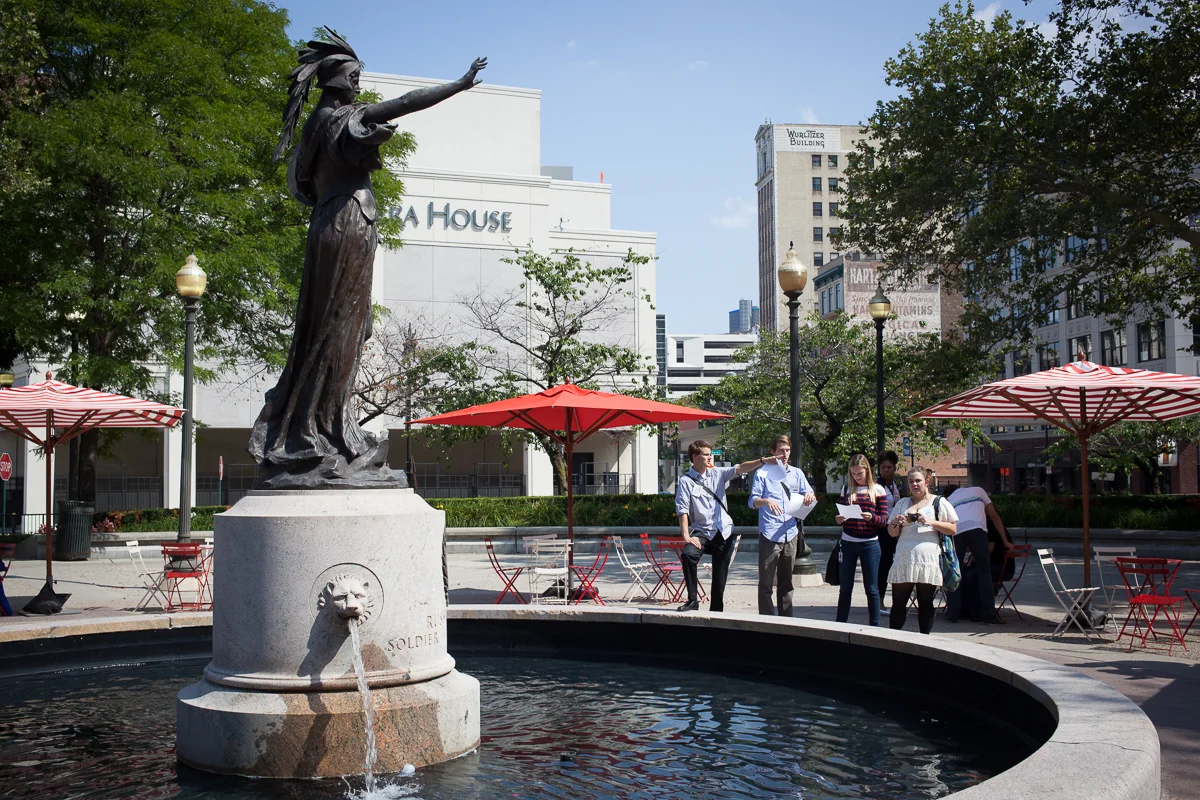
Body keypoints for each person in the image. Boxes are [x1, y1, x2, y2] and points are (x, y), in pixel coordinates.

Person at [675, 440, 773, 612]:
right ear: (695, 457)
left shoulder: (718, 473)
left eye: (710, 454)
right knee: (688, 554)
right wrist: (686, 536)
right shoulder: (686, 481)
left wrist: (762, 461)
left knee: (719, 576)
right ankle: (692, 600)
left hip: (723, 531)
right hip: (702, 531)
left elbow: (740, 468)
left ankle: (716, 611)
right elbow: (682, 509)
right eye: (706, 454)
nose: (709, 457)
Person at [749, 435, 817, 616]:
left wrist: (809, 495)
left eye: (787, 450)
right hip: (770, 533)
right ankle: (767, 620)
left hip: (790, 532)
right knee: (766, 583)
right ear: (773, 452)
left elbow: (809, 492)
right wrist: (765, 501)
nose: (784, 454)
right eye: (781, 451)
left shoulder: (797, 473)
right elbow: (752, 500)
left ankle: (786, 620)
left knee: (786, 583)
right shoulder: (762, 473)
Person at [886, 467, 959, 634]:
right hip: (904, 558)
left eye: (918, 480)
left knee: (925, 602)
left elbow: (953, 529)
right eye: (911, 481)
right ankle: (892, 639)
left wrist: (931, 522)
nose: (914, 484)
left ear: (927, 481)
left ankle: (924, 639)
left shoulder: (939, 502)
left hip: (927, 559)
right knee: (898, 602)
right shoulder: (902, 503)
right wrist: (896, 522)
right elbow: (892, 533)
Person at [945, 485, 1015, 624]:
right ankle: (989, 615)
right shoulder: (979, 491)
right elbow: (994, 517)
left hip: (957, 531)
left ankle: (953, 614)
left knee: (955, 572)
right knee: (984, 572)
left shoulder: (949, 499)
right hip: (977, 529)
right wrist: (1005, 541)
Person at [834, 454, 890, 626]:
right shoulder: (846, 489)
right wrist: (839, 519)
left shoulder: (878, 490)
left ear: (867, 471)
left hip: (870, 543)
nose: (857, 477)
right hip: (848, 541)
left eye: (860, 473)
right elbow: (840, 515)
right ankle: (840, 624)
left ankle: (875, 626)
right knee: (845, 588)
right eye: (853, 473)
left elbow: (884, 520)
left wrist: (872, 518)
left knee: (872, 589)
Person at [875, 450, 904, 603]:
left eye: (889, 467)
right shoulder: (877, 486)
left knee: (894, 563)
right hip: (882, 528)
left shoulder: (894, 485)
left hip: (894, 527)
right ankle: (879, 599)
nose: (886, 470)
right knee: (884, 564)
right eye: (883, 467)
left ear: (895, 468)